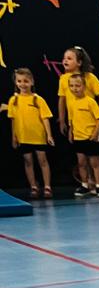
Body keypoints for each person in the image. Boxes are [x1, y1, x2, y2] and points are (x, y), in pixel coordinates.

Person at [55, 46, 99, 195]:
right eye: (64, 58)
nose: (65, 61)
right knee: (82, 158)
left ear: (79, 62)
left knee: (95, 156)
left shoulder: (89, 77)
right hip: (76, 124)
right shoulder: (64, 79)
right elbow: (62, 100)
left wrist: (96, 114)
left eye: (69, 58)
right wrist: (63, 120)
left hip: (90, 124)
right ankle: (88, 183)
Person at [6, 68, 55, 198]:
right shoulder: (13, 100)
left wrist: (49, 135)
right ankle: (33, 186)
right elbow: (13, 120)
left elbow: (45, 118)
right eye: (19, 81)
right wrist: (14, 137)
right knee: (28, 161)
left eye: (26, 81)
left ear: (32, 82)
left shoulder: (38, 99)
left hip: (38, 136)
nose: (22, 84)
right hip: (23, 137)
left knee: (42, 160)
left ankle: (47, 186)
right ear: (16, 82)